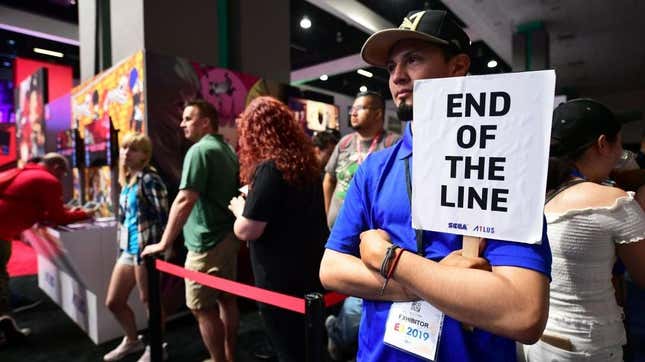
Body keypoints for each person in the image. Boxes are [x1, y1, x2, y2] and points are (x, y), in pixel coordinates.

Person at [319, 9, 552, 362]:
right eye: (391, 67)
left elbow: (523, 312)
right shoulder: (375, 170)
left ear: (457, 67)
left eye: (412, 60)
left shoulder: (505, 166)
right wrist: (440, 281)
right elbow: (332, 268)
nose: (397, 77)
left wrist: (390, 260)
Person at [519, 99, 645, 361]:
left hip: (532, 340)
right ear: (603, 144)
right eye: (619, 146)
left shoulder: (529, 193)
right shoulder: (613, 201)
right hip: (588, 345)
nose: (621, 156)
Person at [228, 96, 328, 362]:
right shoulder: (307, 166)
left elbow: (248, 230)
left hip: (279, 278)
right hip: (309, 271)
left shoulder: (270, 169)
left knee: (289, 349)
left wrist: (240, 210)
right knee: (311, 346)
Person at [142, 100, 240, 362]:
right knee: (226, 299)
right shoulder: (228, 150)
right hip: (227, 237)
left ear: (205, 122)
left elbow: (185, 199)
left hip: (206, 243)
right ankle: (229, 356)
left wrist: (164, 242)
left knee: (201, 307)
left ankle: (219, 359)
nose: (182, 124)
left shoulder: (199, 151)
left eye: (188, 118)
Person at [0, 153, 93, 344]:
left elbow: (35, 207)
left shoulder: (25, 172)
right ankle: (3, 321)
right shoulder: (47, 180)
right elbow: (58, 217)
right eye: (63, 174)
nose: (61, 179)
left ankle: (5, 321)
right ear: (57, 167)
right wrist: (86, 213)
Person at [103, 133, 169, 362]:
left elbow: (165, 217)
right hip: (128, 251)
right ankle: (132, 341)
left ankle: (156, 347)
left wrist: (160, 248)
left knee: (150, 301)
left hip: (146, 250)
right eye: (124, 148)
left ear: (145, 155)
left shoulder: (150, 179)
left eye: (133, 149)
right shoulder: (129, 181)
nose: (126, 153)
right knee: (114, 301)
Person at [323, 91, 400, 229]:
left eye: (360, 108)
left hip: (370, 234)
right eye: (352, 109)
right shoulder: (344, 143)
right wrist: (329, 213)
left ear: (378, 114)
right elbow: (329, 179)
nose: (353, 113)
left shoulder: (392, 143)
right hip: (336, 229)